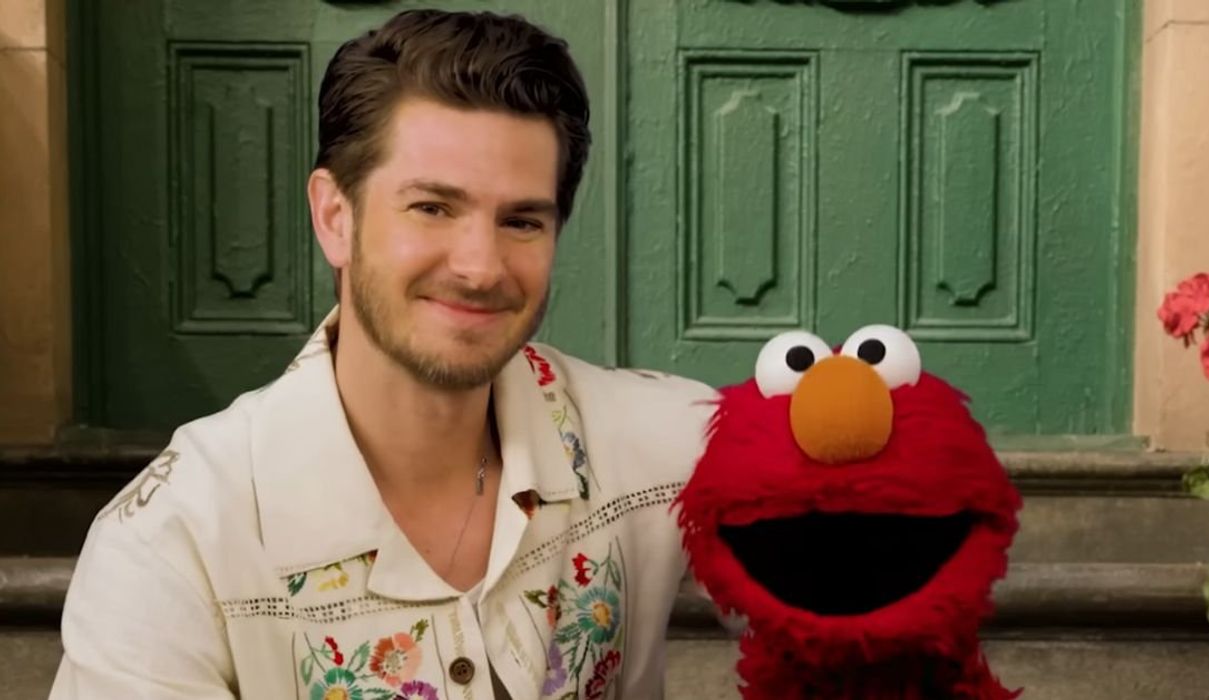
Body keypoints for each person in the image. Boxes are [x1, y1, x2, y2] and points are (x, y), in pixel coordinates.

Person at [51, 9, 717, 699]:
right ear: (335, 218)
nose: (480, 267)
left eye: (521, 221)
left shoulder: (654, 446)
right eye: (432, 207)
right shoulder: (174, 547)